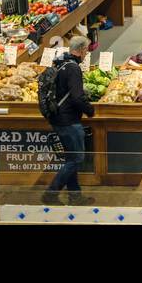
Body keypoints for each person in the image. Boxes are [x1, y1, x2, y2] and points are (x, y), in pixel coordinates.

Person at [44, 35, 95, 206]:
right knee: (75, 160)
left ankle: (75, 196)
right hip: (69, 121)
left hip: (57, 117)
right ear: (81, 50)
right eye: (86, 50)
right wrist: (90, 110)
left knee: (70, 159)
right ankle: (51, 193)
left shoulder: (60, 63)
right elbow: (76, 98)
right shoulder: (73, 68)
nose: (87, 54)